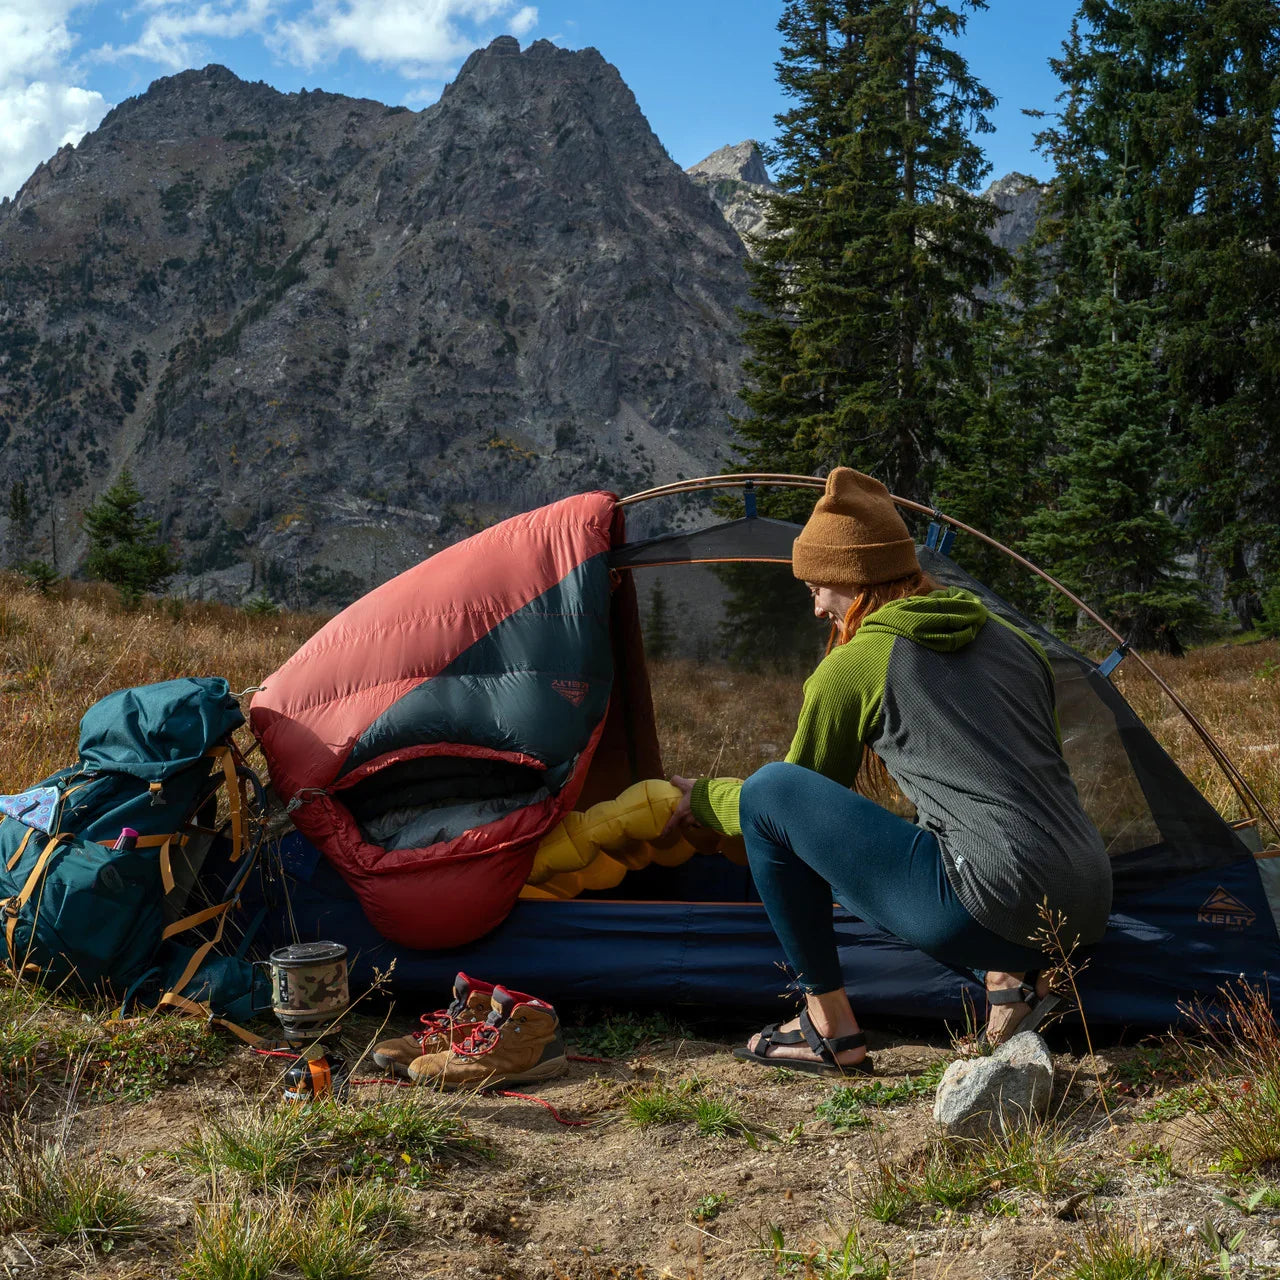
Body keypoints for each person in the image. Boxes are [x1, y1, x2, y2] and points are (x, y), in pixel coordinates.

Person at [663, 467, 1112, 1076]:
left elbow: (790, 807)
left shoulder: (856, 664)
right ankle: (1009, 984)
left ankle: (827, 1027)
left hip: (990, 905)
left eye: (817, 586)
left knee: (768, 790)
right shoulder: (1013, 638)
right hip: (1087, 900)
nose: (817, 605)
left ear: (849, 580)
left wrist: (710, 798)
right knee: (953, 824)